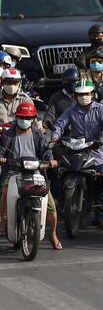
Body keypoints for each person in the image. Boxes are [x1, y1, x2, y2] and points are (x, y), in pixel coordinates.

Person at [0, 103, 62, 249]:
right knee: (5, 192)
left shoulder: (38, 134)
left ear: (32, 119)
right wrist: (0, 158)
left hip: (36, 172)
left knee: (51, 205)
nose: (25, 120)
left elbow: (46, 151)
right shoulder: (8, 135)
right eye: (22, 117)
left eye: (28, 118)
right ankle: (4, 222)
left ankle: (53, 234)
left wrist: (50, 160)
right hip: (15, 171)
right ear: (17, 118)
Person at [52, 79, 103, 228]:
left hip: (96, 152)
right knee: (62, 172)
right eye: (80, 94)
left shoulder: (100, 109)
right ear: (75, 96)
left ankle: (99, 216)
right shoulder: (71, 111)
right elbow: (60, 124)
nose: (83, 97)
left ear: (92, 94)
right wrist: (55, 136)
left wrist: (100, 140)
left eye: (86, 94)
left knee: (100, 181)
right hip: (75, 150)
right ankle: (62, 203)